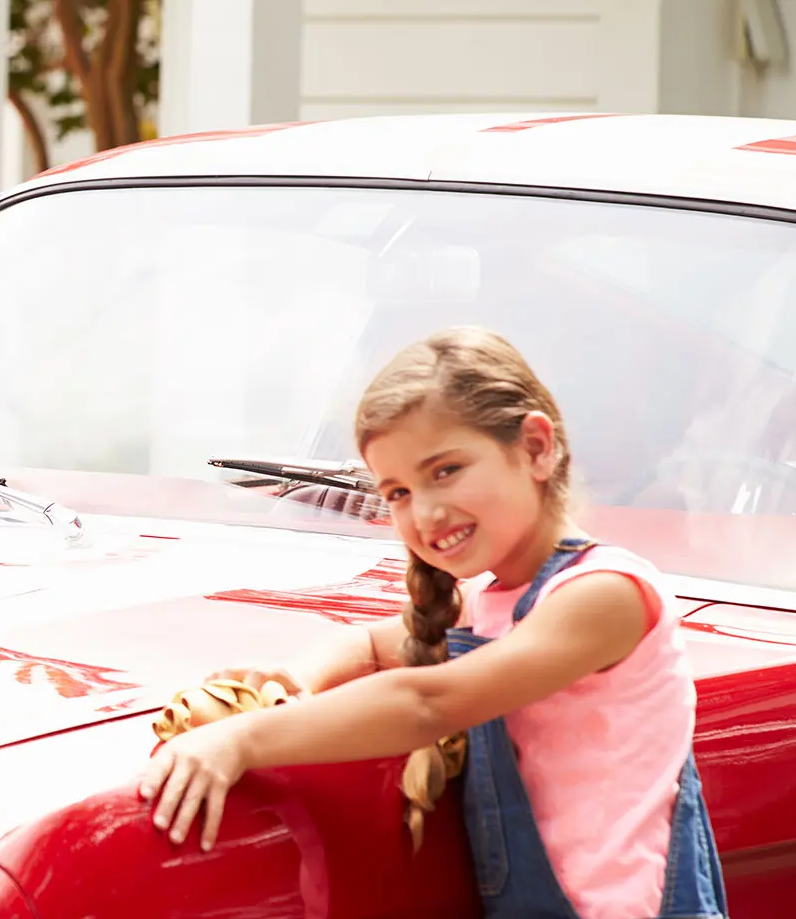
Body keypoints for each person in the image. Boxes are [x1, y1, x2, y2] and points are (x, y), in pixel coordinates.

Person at [138, 327, 726, 919]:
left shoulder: (604, 596)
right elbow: (367, 643)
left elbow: (430, 702)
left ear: (536, 447)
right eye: (396, 492)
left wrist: (240, 741)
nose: (424, 512)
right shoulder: (488, 602)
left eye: (445, 471)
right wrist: (289, 687)